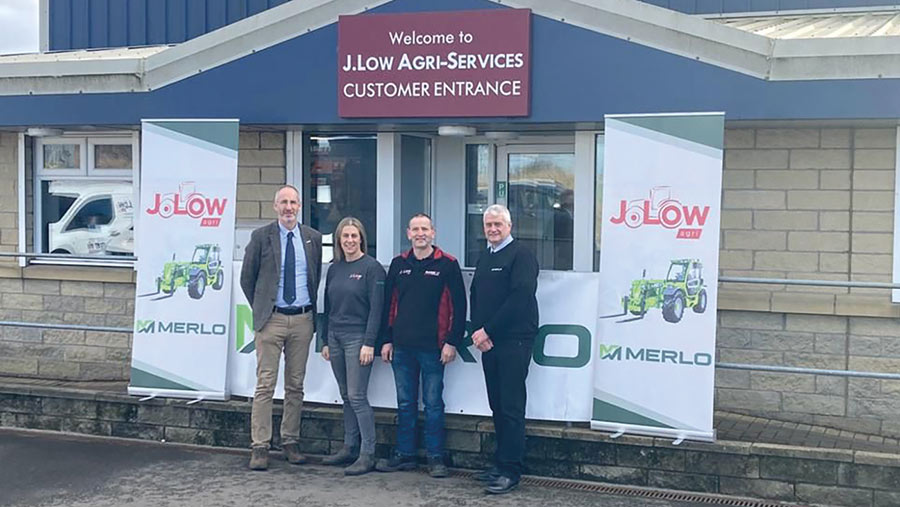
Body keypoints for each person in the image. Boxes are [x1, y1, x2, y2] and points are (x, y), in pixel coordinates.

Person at [376, 213, 466, 478]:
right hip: (402, 346)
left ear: (433, 232)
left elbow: (459, 308)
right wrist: (386, 339)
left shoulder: (448, 265)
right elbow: (388, 305)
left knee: (433, 403)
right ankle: (405, 455)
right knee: (405, 403)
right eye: (415, 229)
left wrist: (452, 342)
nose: (420, 234)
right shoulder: (398, 264)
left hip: (434, 348)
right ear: (408, 234)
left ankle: (436, 458)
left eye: (424, 229)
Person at [240, 185, 322, 471]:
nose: (289, 207)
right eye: (284, 202)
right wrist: (263, 309)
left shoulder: (312, 238)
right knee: (265, 385)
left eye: (293, 202)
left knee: (295, 385)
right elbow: (247, 279)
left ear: (300, 206)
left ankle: (290, 440)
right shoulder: (261, 237)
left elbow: (315, 278)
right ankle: (260, 446)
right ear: (275, 206)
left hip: (302, 320)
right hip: (271, 320)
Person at [470, 204, 539, 494]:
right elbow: (476, 295)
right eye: (489, 225)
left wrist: (488, 330)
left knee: (511, 406)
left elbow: (520, 297)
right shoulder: (487, 255)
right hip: (489, 342)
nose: (493, 229)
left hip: (514, 340)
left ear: (510, 226)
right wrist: (478, 332)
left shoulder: (521, 255)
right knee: (496, 404)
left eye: (498, 224)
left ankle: (511, 470)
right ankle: (500, 463)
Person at [319, 217, 385, 475]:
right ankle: (349, 446)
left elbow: (377, 309)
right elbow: (327, 305)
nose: (349, 241)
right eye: (344, 236)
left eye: (353, 236)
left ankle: (367, 454)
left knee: (357, 396)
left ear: (361, 239)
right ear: (338, 240)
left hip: (358, 338)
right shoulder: (334, 268)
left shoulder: (372, 268)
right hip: (335, 336)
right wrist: (325, 340)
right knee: (345, 395)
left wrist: (370, 342)